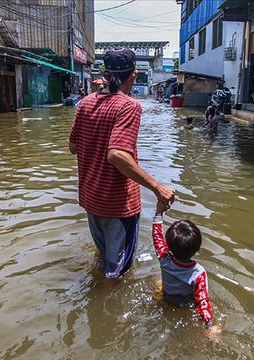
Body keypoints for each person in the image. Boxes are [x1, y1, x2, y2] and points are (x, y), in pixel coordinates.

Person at [68, 46, 175, 278]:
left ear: (104, 74)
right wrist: (157, 187)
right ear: (134, 74)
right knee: (116, 273)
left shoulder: (85, 104)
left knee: (105, 257)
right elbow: (117, 155)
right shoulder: (128, 106)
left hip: (91, 200)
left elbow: (73, 147)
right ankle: (106, 312)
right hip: (117, 205)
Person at [152, 200, 219, 334]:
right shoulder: (198, 273)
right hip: (185, 306)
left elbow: (157, 237)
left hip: (167, 297)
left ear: (169, 245)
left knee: (158, 284)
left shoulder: (164, 258)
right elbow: (203, 301)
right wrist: (209, 326)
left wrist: (159, 212)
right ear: (198, 246)